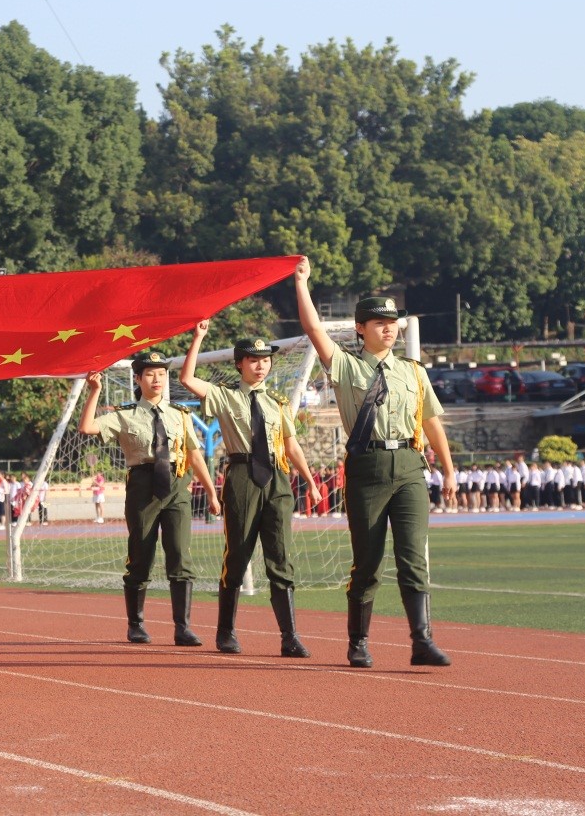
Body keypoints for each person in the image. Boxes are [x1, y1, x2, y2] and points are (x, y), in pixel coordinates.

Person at [295, 258, 457, 668]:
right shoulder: (346, 365)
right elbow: (314, 329)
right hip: (366, 467)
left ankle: (422, 641)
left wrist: (449, 468)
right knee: (367, 560)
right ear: (360, 329)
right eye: (378, 322)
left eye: (393, 321)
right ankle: (359, 641)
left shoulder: (413, 372)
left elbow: (431, 421)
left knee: (413, 557)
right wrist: (302, 284)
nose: (389, 327)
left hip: (408, 465)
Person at [180, 320, 321, 658]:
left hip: (277, 479)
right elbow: (187, 379)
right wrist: (198, 337)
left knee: (281, 557)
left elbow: (291, 445)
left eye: (266, 360)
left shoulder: (277, 403)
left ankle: (289, 636)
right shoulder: (226, 397)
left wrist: (310, 481)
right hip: (242, 475)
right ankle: (226, 631)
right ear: (239, 364)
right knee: (238, 555)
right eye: (253, 360)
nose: (261, 366)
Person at [78, 353, 223, 647]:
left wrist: (210, 491)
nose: (156, 380)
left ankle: (183, 628)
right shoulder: (125, 414)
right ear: (137, 379)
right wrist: (94, 391)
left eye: (161, 374)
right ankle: (136, 624)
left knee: (180, 555)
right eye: (149, 374)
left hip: (177, 484)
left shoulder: (180, 414)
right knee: (141, 554)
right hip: (143, 485)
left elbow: (195, 456)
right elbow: (87, 427)